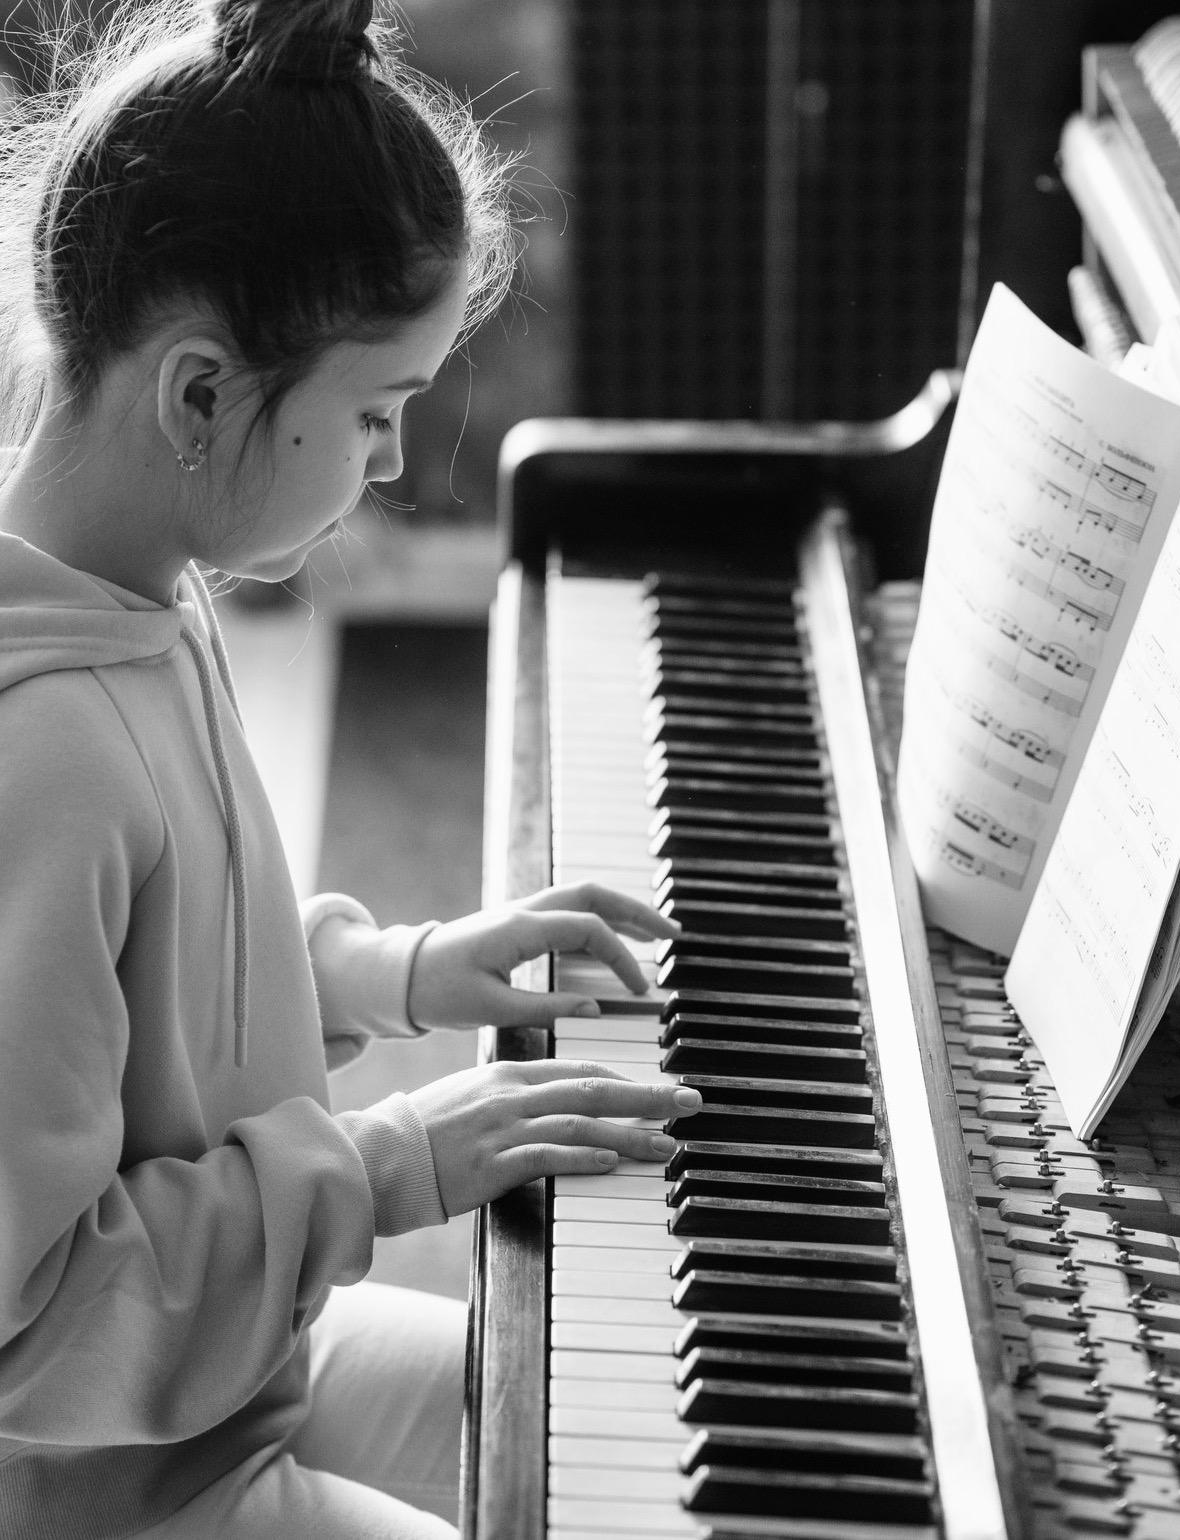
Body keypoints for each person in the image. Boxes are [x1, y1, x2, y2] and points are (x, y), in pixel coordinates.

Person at [0, 0, 698, 1536]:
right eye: (374, 413)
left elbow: (173, 989)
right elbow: (30, 1322)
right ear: (199, 396)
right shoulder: (40, 752)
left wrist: (406, 971)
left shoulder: (127, 595)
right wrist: (385, 1165)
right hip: (108, 1486)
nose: (390, 463)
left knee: (598, 1439)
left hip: (236, 1366)